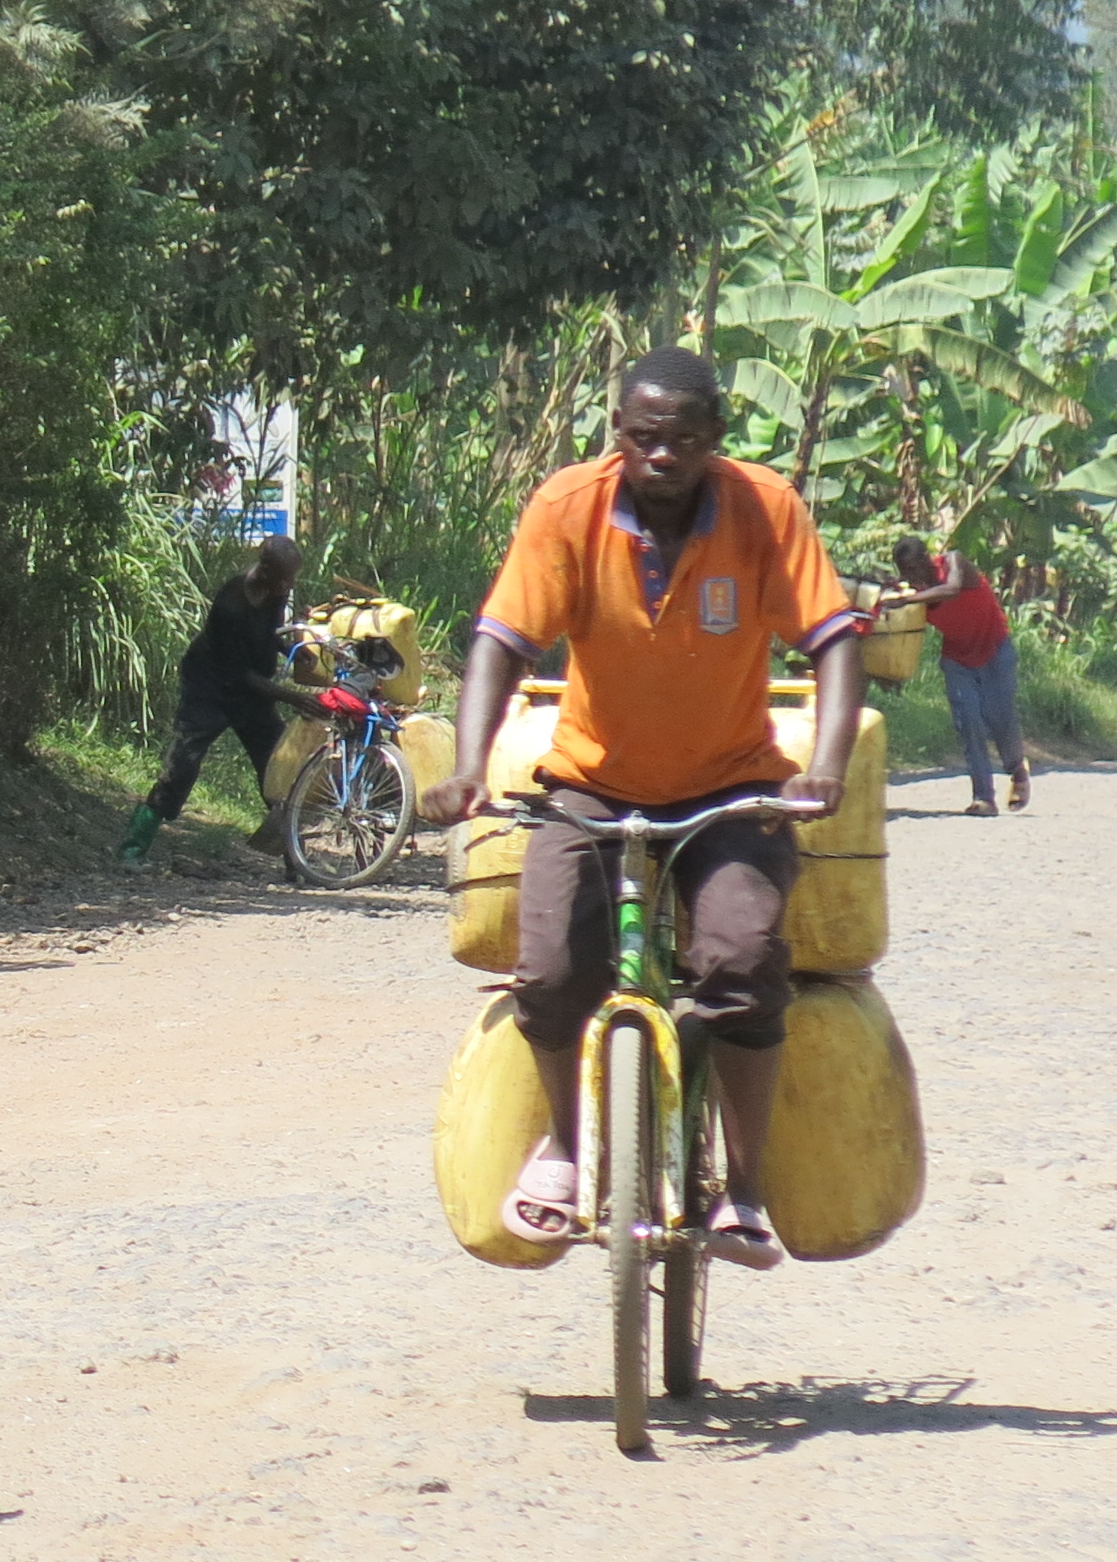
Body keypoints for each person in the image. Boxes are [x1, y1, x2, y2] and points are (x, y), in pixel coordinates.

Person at [416, 349, 868, 1270]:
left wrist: (823, 767)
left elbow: (831, 638)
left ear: (716, 441)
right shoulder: (567, 507)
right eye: (642, 437)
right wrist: (469, 767)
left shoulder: (764, 508)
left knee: (739, 960)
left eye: (684, 439)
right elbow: (500, 640)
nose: (661, 455)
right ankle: (572, 1152)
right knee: (550, 972)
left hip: (732, 784)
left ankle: (741, 1191)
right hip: (591, 782)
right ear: (617, 433)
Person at [118, 535, 308, 869]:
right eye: (284, 578)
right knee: (182, 766)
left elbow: (271, 631)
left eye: (292, 578)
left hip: (252, 694)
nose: (288, 585)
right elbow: (241, 674)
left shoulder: (277, 589)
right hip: (210, 689)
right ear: (264, 570)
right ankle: (132, 849)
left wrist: (295, 651)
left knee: (278, 769)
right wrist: (295, 697)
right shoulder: (231, 603)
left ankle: (298, 860)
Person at [885, 533, 1030, 813]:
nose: (909, 577)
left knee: (1000, 717)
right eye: (904, 572)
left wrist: (909, 599)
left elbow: (951, 590)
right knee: (969, 723)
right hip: (957, 659)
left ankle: (1017, 770)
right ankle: (983, 797)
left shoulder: (954, 563)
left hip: (995, 650)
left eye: (913, 569)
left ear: (927, 560)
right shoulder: (914, 591)